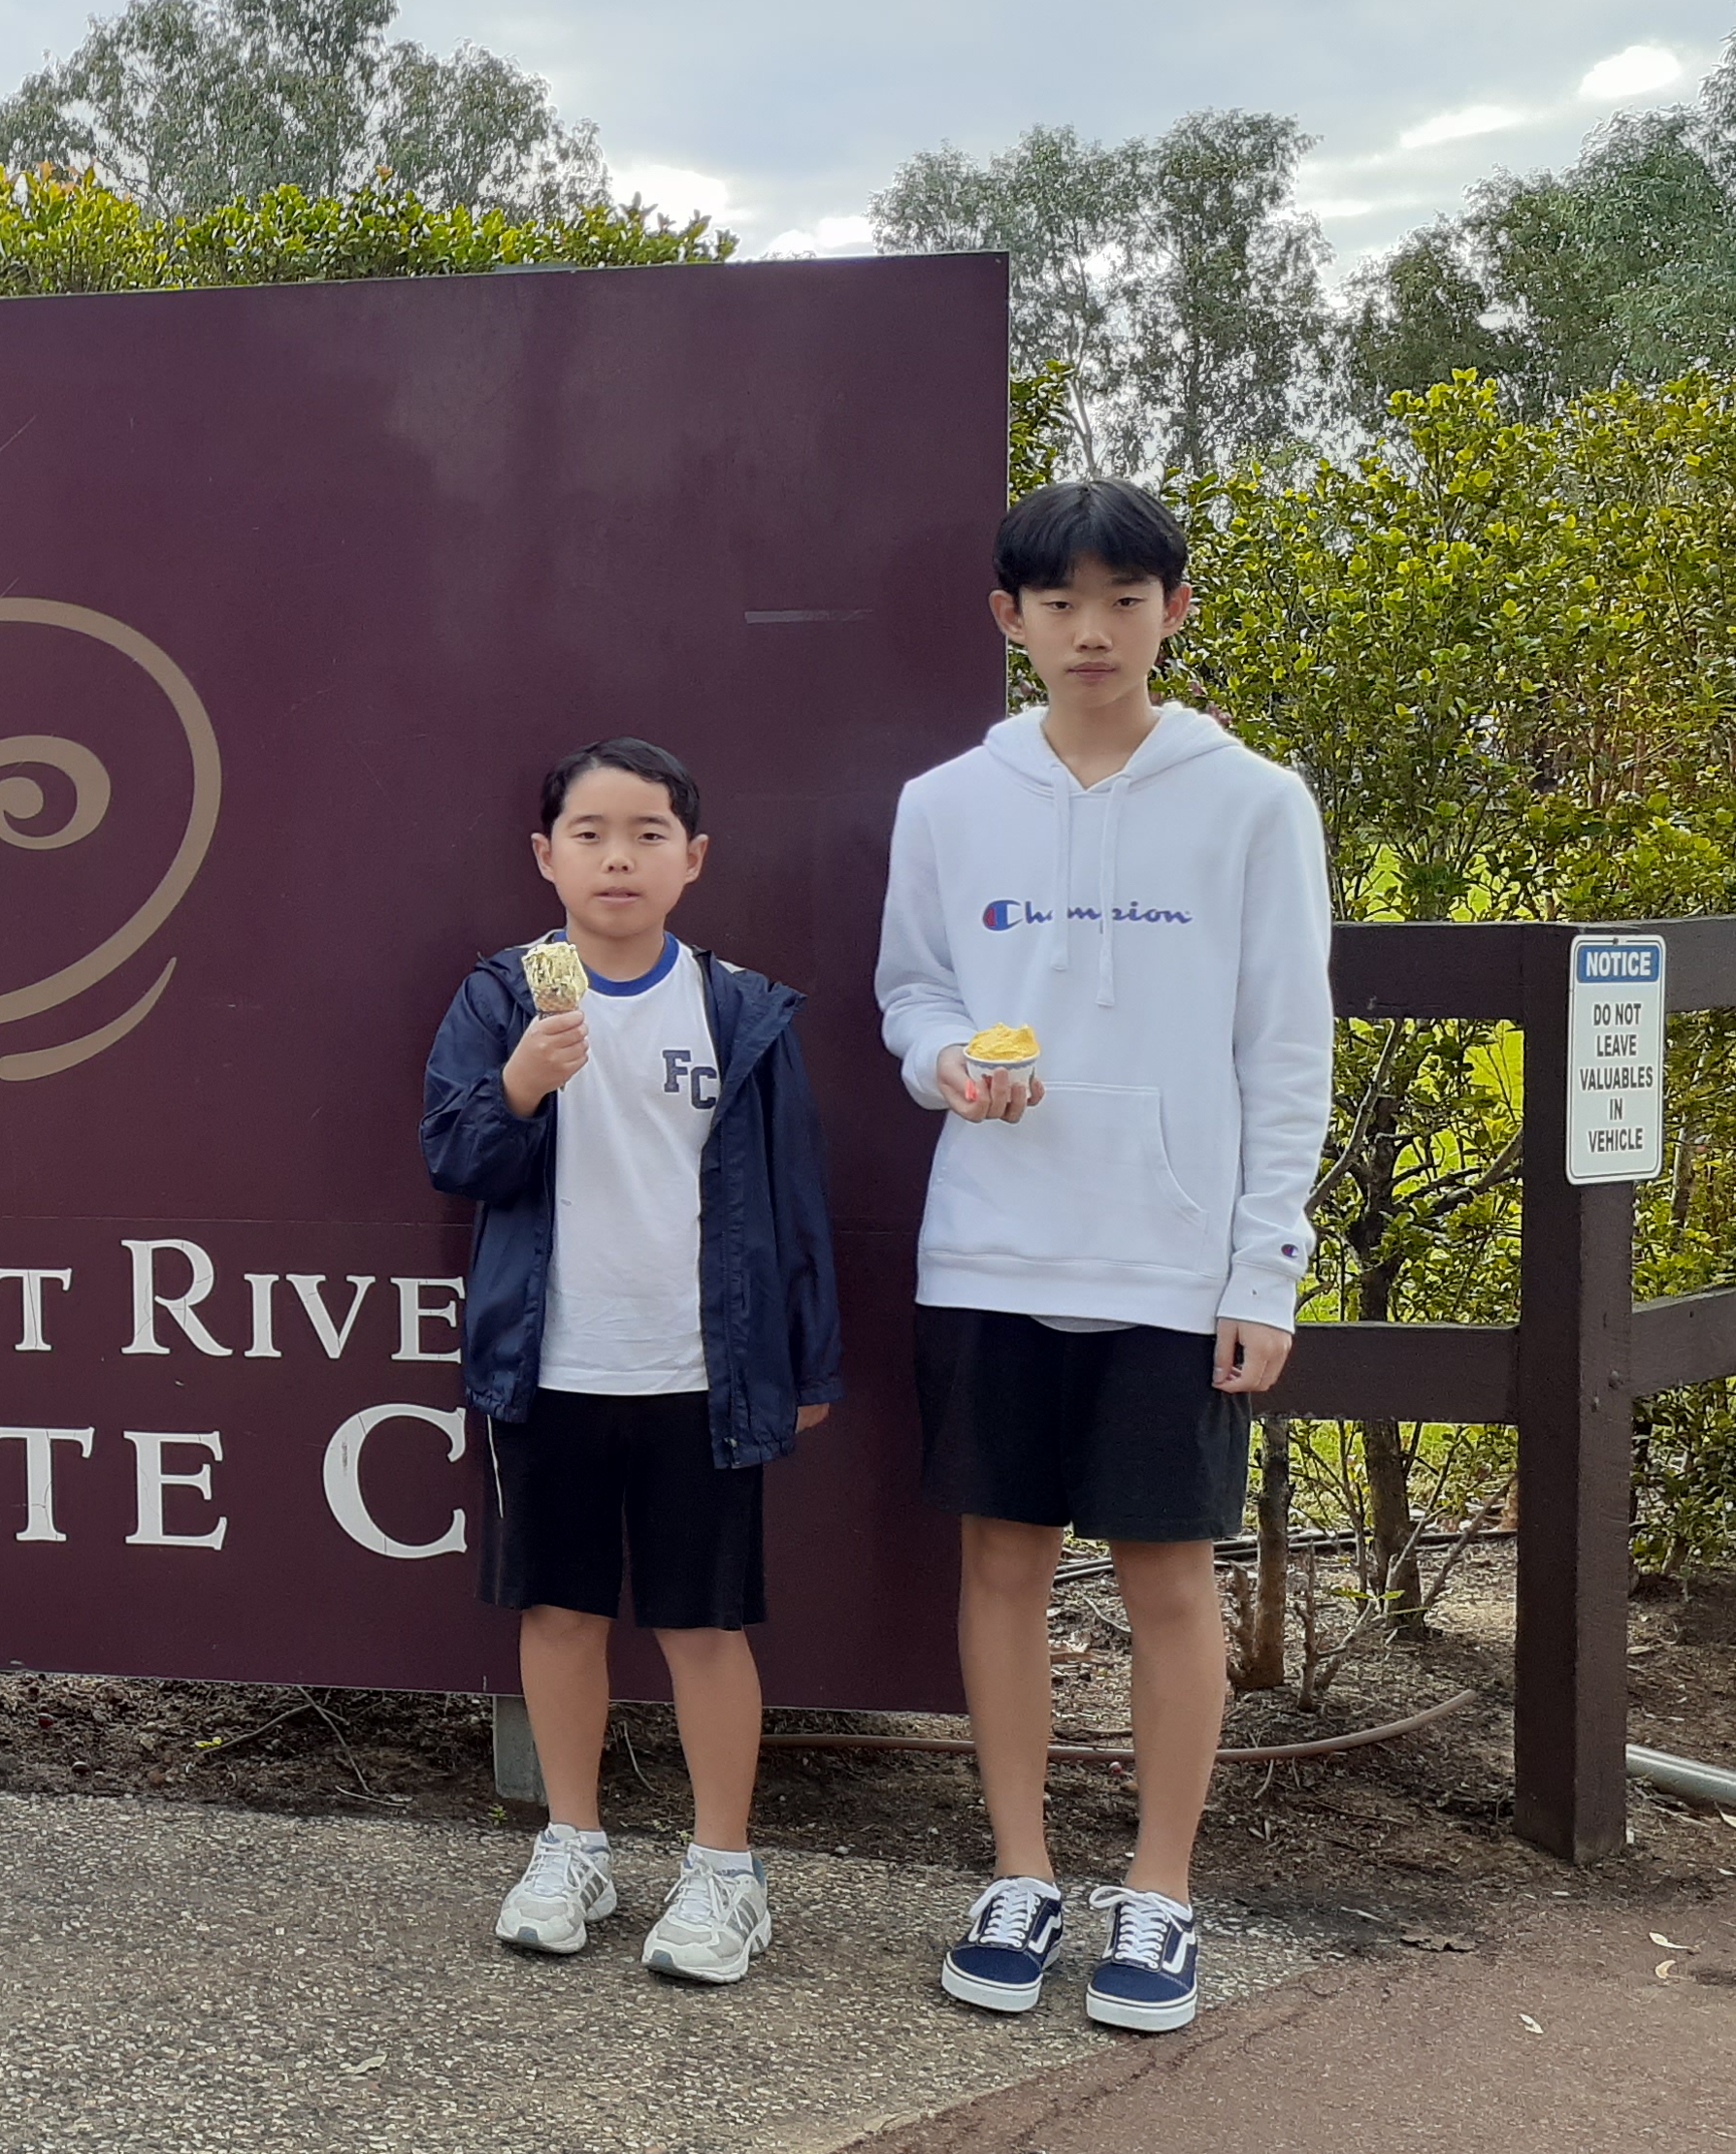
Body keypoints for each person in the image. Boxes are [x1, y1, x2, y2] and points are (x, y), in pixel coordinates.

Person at [878, 478, 1330, 2031]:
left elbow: (1288, 1049)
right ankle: (1019, 1872)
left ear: (1173, 612)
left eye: (1124, 600)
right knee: (1000, 1566)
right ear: (1008, 618)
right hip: (991, 1247)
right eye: (1060, 602)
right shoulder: (948, 801)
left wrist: (1264, 1270)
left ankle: (1161, 1893)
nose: (1092, 630)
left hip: (1172, 1261)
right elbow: (912, 992)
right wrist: (947, 1063)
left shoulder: (1253, 802)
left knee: (1168, 1580)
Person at [422, 737, 842, 1985]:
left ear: (692, 859)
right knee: (558, 1611)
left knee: (702, 1622)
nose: (619, 858)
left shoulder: (735, 1008)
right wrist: (519, 1086)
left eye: (648, 834)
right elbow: (455, 1158)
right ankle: (573, 1844)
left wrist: (805, 1363)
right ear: (546, 856)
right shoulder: (503, 998)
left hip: (698, 1370)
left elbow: (794, 1194)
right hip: (548, 1363)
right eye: (591, 834)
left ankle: (726, 1870)